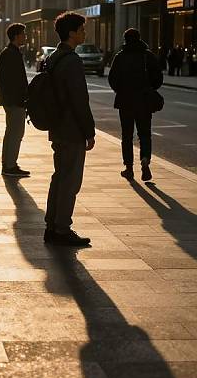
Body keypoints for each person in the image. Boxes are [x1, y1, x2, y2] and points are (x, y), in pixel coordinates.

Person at [44, 12, 96, 247]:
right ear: (72, 33)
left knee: (59, 176)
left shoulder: (54, 57)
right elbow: (79, 100)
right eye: (82, 29)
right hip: (71, 128)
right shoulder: (72, 61)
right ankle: (62, 229)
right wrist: (89, 131)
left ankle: (52, 224)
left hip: (57, 126)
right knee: (70, 180)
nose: (84, 33)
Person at [108, 28, 163, 182]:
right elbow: (158, 78)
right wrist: (149, 88)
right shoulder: (148, 56)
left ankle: (129, 168)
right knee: (144, 133)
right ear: (139, 39)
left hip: (125, 101)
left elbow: (112, 79)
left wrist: (121, 90)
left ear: (125, 40)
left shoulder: (120, 57)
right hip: (144, 101)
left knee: (127, 136)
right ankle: (145, 160)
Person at [0, 23, 30, 177]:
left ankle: (8, 163)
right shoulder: (11, 54)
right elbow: (13, 81)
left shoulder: (10, 52)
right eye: (23, 34)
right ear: (16, 36)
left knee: (11, 133)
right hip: (15, 101)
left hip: (12, 100)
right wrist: (21, 99)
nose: (25, 37)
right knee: (16, 133)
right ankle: (10, 165)